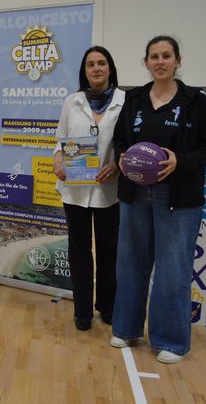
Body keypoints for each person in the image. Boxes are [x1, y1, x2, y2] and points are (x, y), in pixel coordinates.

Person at [110, 36, 206, 363]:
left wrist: (180, 161)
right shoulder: (133, 100)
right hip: (134, 194)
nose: (160, 61)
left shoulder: (195, 102)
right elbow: (120, 141)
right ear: (146, 62)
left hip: (179, 198)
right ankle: (126, 328)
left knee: (173, 269)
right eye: (154, 57)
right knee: (130, 263)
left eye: (166, 56)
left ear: (177, 60)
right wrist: (122, 158)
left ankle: (171, 341)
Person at [53, 46, 124, 331]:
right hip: (75, 189)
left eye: (102, 63)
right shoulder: (72, 102)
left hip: (111, 190)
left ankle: (107, 307)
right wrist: (58, 156)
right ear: (84, 71)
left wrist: (118, 165)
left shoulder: (125, 101)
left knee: (109, 250)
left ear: (110, 68)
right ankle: (82, 311)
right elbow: (60, 138)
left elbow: (129, 143)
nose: (96, 68)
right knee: (79, 250)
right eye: (91, 64)